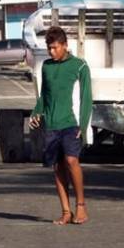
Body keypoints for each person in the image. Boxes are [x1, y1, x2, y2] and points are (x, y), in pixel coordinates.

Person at [29, 26, 92, 225]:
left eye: (55, 47)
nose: (51, 52)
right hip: (51, 124)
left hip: (71, 123)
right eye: (49, 48)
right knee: (57, 167)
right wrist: (36, 112)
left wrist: (83, 124)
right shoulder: (46, 66)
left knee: (72, 161)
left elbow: (86, 98)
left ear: (65, 46)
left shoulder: (80, 66)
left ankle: (80, 206)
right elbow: (44, 96)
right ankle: (66, 211)